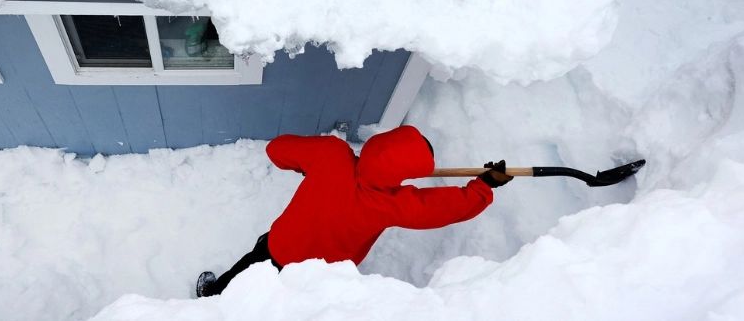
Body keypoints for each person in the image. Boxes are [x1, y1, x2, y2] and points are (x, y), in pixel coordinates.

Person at [196, 125, 512, 297]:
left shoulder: (331, 155)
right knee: (287, 301)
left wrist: (307, 165)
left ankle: (213, 295)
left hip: (279, 245)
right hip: (321, 272)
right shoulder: (394, 203)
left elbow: (276, 150)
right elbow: (446, 208)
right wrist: (485, 185)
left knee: (248, 270)